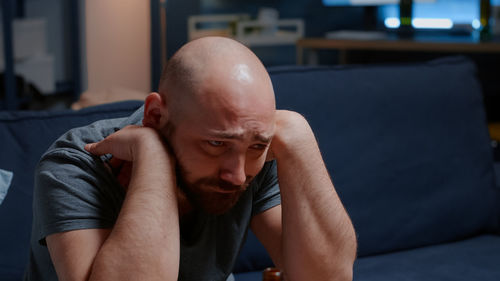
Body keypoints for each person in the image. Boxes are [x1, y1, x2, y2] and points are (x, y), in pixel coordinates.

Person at [25, 37, 357, 281]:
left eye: (257, 145)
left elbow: (327, 277)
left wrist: (298, 136)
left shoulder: (251, 154)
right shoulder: (75, 165)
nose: (237, 176)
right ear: (155, 115)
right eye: (215, 143)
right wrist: (153, 157)